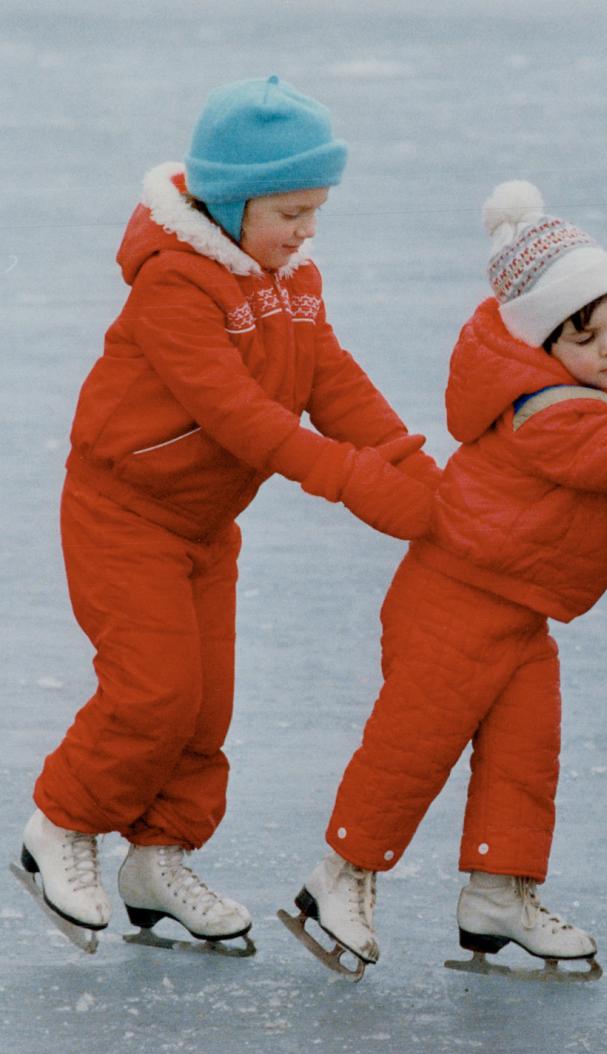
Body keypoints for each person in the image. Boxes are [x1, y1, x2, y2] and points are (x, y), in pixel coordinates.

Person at [284, 181, 607, 975]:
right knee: (409, 752)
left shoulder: (605, 378)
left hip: (519, 613)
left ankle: (498, 892)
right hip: (453, 603)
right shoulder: (549, 415)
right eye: (592, 339)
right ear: (541, 347)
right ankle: (339, 880)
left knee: (526, 753)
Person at [18, 75, 440, 950]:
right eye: (291, 210)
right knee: (154, 693)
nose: (307, 229)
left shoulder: (293, 278)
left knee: (206, 708)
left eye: (315, 209)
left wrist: (409, 466)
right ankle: (59, 825)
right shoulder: (175, 285)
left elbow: (330, 379)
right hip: (122, 515)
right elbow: (246, 420)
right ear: (233, 202)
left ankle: (157, 861)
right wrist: (360, 484)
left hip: (204, 525)